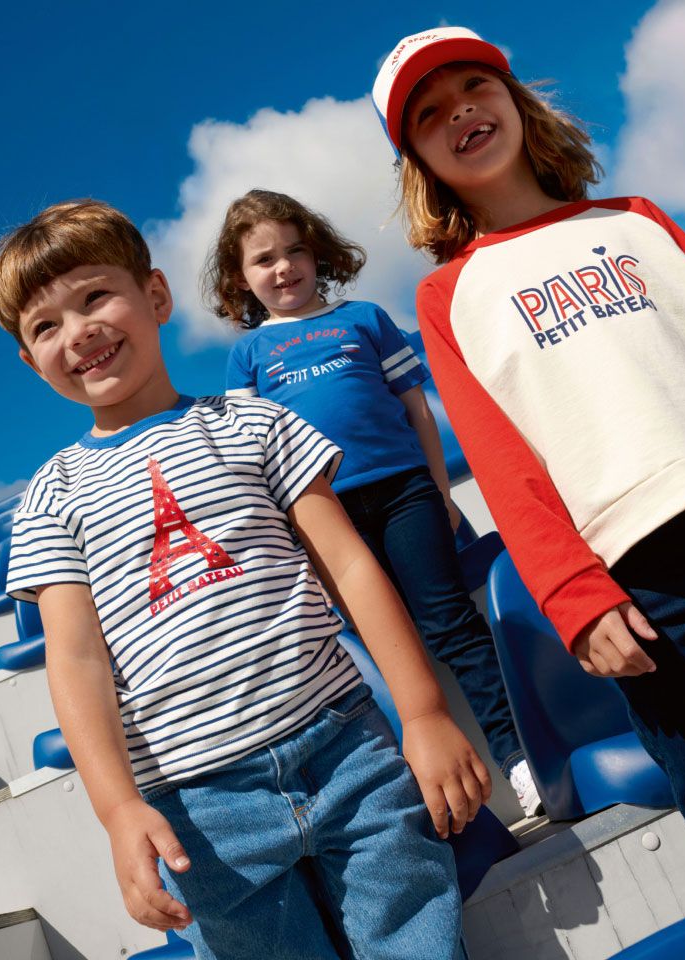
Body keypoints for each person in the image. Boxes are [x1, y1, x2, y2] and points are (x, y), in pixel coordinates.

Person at [0, 198, 492, 959]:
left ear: (155, 296)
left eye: (94, 297)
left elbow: (349, 565)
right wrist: (118, 810)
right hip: (199, 810)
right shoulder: (52, 495)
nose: (78, 331)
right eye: (45, 327)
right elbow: (76, 659)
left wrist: (421, 714)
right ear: (31, 362)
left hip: (346, 752)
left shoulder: (257, 422)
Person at [372, 26, 685, 839]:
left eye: (475, 88)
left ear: (517, 102)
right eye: (430, 114)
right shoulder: (450, 295)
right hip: (647, 575)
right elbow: (499, 457)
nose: (462, 113)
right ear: (420, 163)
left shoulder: (641, 218)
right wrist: (573, 594)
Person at [205, 188, 541, 816]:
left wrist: (442, 495)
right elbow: (251, 452)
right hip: (322, 517)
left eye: (295, 250)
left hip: (405, 494)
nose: (283, 268)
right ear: (240, 278)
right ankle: (413, 798)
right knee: (372, 656)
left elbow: (416, 411)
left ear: (317, 253)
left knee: (452, 628)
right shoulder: (247, 355)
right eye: (264, 260)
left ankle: (521, 759)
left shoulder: (363, 319)